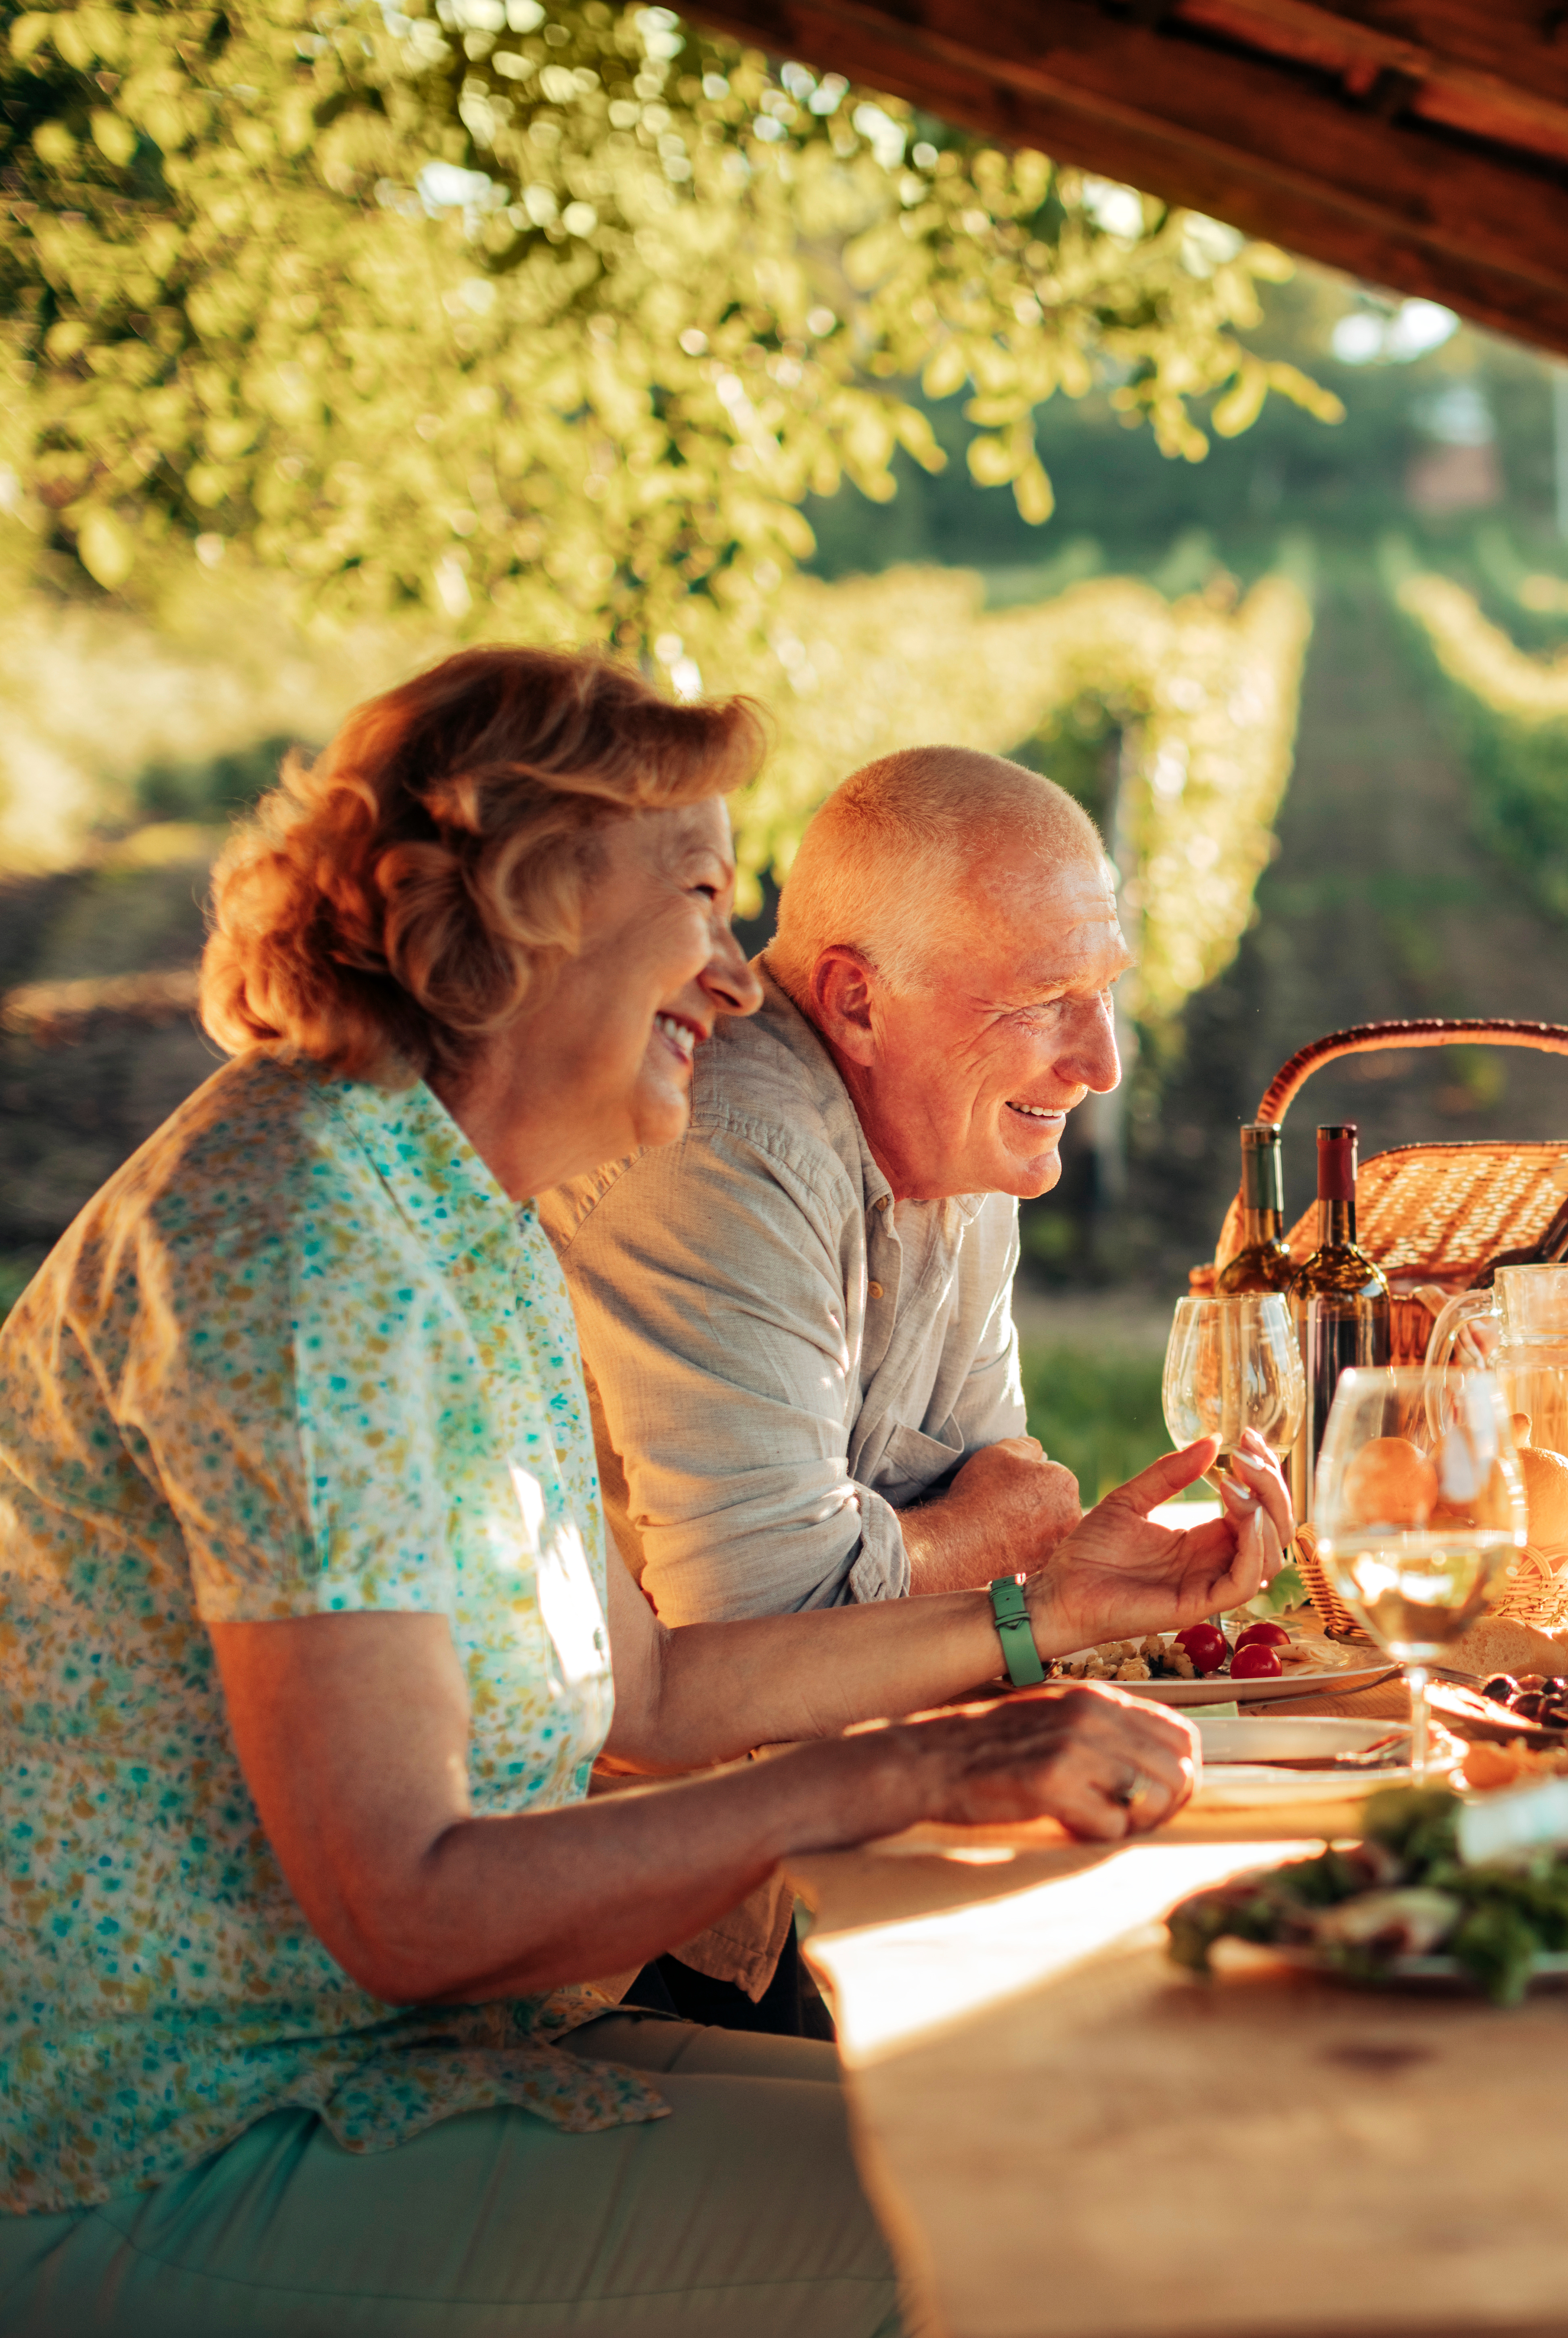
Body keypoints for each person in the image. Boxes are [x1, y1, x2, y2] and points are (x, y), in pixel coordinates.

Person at [0, 648, 1290, 2334]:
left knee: (1134, 2127)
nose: (738, 981)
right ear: (528, 917)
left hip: (421, 2064)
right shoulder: (303, 1239)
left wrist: (1044, 1613)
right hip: (176, 2137)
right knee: (1074, 2223)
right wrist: (919, 1763)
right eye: (700, 901)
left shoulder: (455, 1214)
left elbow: (663, 1688)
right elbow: (404, 1900)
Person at [539, 746, 1130, 1627]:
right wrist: (985, 1543)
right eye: (1043, 999)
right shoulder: (723, 1151)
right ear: (857, 1002)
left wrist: (977, 1544)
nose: (1102, 1066)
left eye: (1103, 990)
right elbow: (763, 1630)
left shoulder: (961, 1133)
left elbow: (999, 1500)